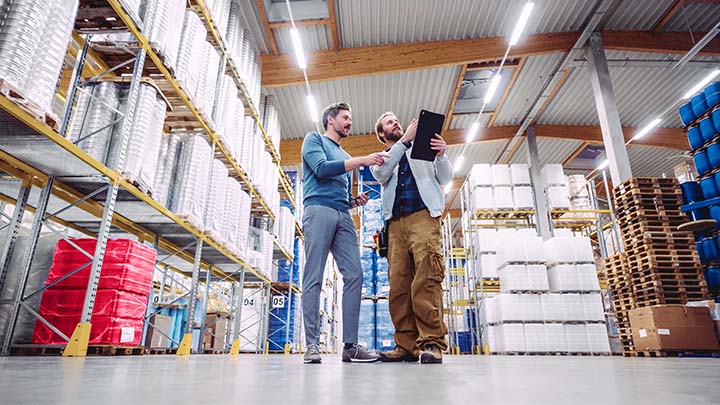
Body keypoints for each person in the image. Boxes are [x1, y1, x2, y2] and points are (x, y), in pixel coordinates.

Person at [301, 102, 388, 364]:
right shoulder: (314, 139)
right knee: (313, 277)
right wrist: (362, 160)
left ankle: (350, 346)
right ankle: (312, 345)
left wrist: (353, 201)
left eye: (351, 118)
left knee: (355, 275)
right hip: (317, 210)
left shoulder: (344, 152)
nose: (350, 122)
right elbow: (321, 169)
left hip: (343, 214)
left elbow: (336, 187)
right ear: (331, 119)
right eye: (346, 118)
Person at [370, 111, 452, 364]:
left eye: (396, 120)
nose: (395, 122)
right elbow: (380, 174)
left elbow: (446, 178)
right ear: (382, 134)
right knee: (399, 286)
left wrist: (441, 155)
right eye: (389, 122)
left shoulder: (424, 147)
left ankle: (431, 343)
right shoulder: (383, 157)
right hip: (395, 225)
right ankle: (405, 345)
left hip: (423, 217)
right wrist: (403, 142)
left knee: (426, 278)